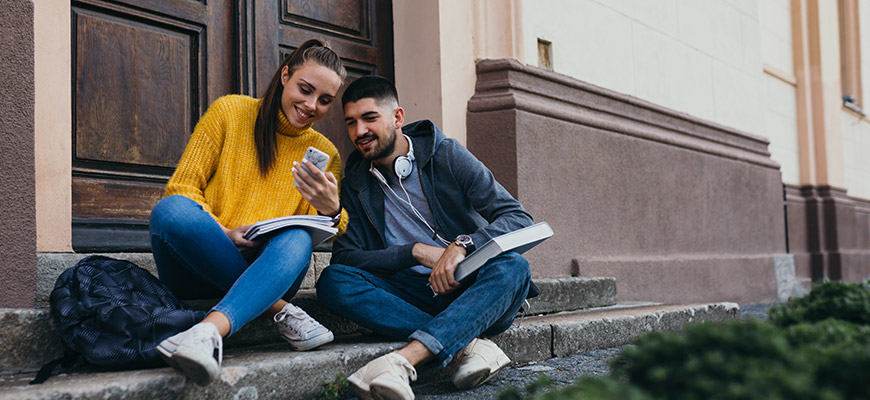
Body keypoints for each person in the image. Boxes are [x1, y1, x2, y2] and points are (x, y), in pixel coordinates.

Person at [316, 76, 538, 399]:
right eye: (351, 122)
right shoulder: (355, 181)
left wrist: (462, 245)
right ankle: (467, 342)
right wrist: (415, 252)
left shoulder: (445, 154)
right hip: (412, 291)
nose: (359, 131)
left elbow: (518, 219)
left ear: (397, 117)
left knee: (515, 268)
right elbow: (346, 258)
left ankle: (404, 361)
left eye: (369, 118)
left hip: (471, 285)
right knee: (333, 281)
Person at [148, 39, 348, 386]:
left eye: (325, 100)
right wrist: (222, 233)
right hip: (199, 262)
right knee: (171, 211)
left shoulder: (325, 153)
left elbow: (334, 228)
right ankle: (279, 311)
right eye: (305, 89)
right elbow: (181, 187)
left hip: (270, 269)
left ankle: (207, 332)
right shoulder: (230, 112)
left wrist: (332, 210)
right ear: (285, 75)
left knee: (298, 236)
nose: (311, 105)